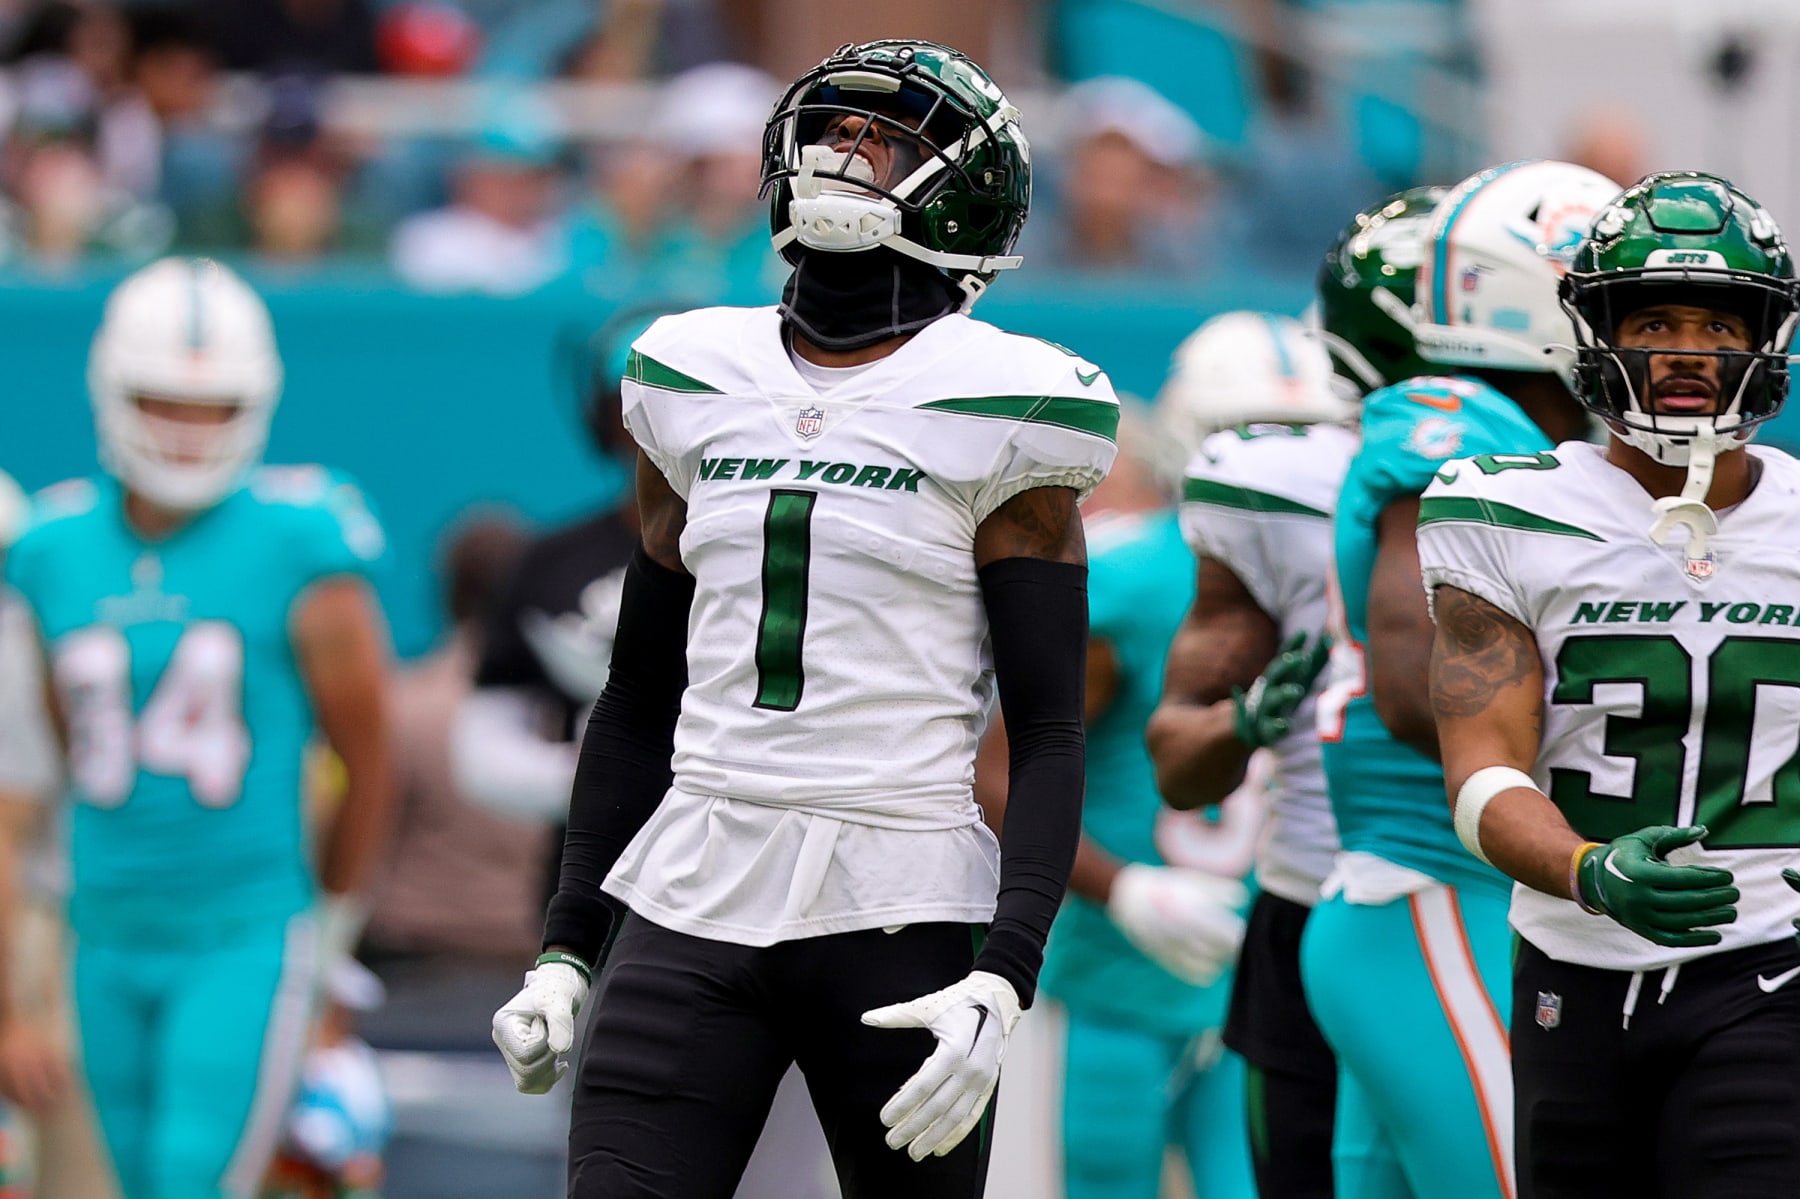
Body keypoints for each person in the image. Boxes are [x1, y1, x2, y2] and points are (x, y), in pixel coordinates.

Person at [489, 38, 1117, 1199]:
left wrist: (1005, 972)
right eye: (837, 131)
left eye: (888, 141)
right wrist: (570, 944)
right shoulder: (689, 371)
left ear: (968, 190)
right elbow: (637, 696)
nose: (846, 156)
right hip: (696, 876)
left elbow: (1047, 729)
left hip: (901, 894)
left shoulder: (1009, 404)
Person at [1420, 172, 1800, 1199]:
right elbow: (1480, 766)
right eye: (1655, 319)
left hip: (1770, 968)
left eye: (1718, 323)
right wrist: (1591, 867)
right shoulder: (1503, 508)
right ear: (1598, 335)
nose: (1684, 348)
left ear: (1763, 343)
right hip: (1570, 972)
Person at [1, 257, 395, 1199]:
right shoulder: (50, 551)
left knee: (191, 1176)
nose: (189, 429)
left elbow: (369, 759)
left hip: (242, 928)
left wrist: (332, 929)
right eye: (165, 400)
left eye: (214, 405)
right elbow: (58, 751)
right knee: (139, 1178)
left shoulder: (303, 542)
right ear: (112, 391)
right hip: (101, 925)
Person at [1299, 159, 1618, 1199]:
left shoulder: (1543, 445)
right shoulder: (1459, 425)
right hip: (1437, 889)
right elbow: (1409, 683)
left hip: (1449, 900)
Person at [1147, 275, 1427, 1197]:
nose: (1272, 449)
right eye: (1246, 431)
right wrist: (1243, 722)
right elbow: (1176, 762)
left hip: (1461, 888)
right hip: (1302, 895)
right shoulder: (1235, 510)